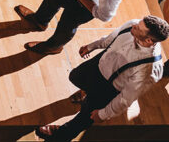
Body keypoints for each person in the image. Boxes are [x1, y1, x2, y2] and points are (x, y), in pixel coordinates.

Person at [36, 16, 168, 141]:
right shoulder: (132, 25)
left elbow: (126, 98)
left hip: (108, 88)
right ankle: (86, 95)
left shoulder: (149, 69)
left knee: (84, 118)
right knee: (75, 77)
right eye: (138, 23)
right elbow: (111, 39)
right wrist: (92, 46)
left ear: (149, 40)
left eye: (138, 28)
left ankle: (61, 135)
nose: (134, 25)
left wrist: (104, 113)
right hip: (98, 64)